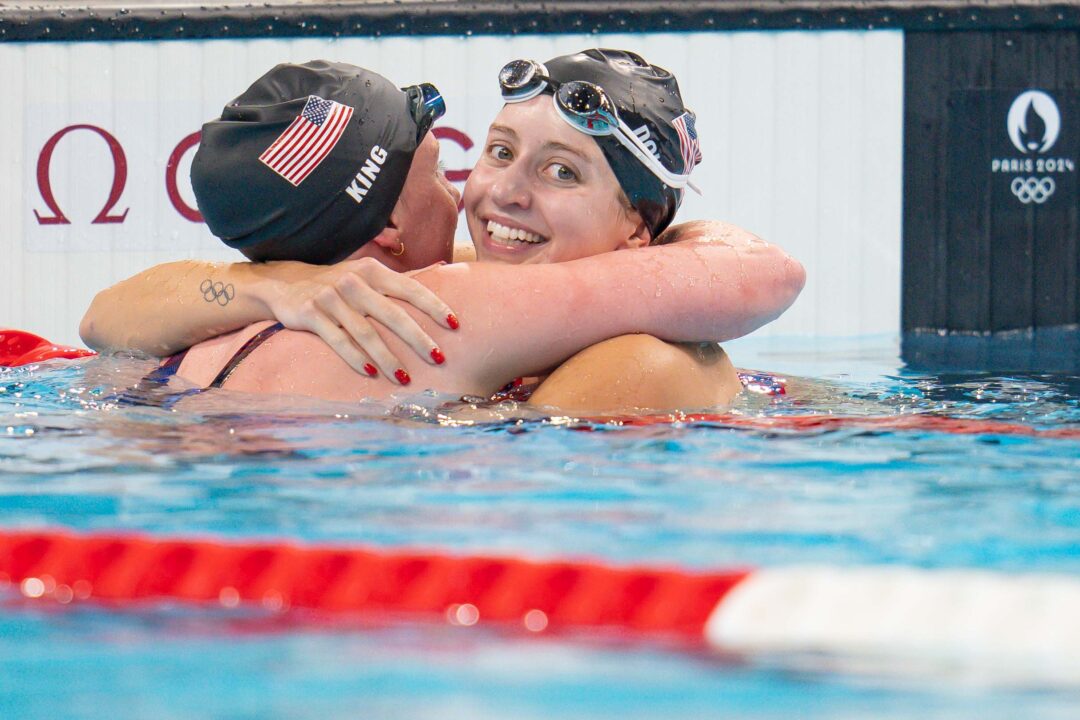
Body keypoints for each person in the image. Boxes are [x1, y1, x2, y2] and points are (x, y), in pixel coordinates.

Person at [81, 55, 804, 412]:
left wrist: (270, 281)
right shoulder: (450, 308)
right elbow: (764, 272)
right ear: (389, 225)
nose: (486, 196)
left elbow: (99, 319)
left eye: (559, 173)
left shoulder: (230, 318)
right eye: (494, 154)